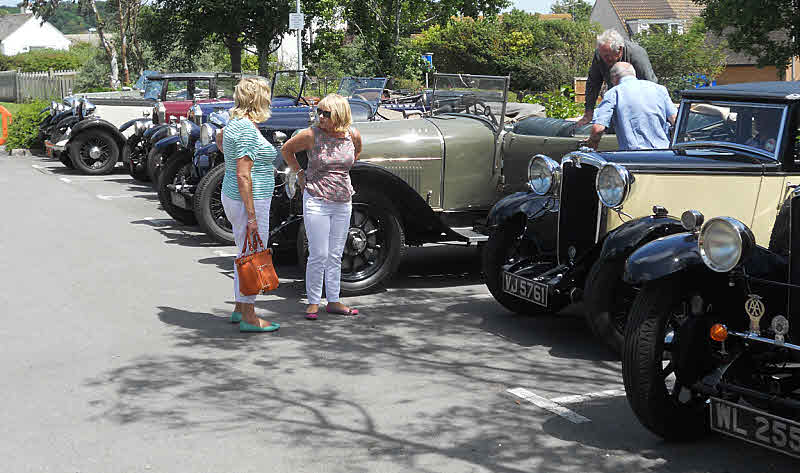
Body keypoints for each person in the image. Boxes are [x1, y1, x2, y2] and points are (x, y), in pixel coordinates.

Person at [281, 94, 363, 320]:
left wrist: (341, 172)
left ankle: (334, 300)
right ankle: (313, 301)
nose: (321, 116)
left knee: (336, 254)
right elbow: (286, 150)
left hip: (343, 200)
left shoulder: (352, 134)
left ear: (339, 114)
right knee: (318, 253)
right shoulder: (311, 135)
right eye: (319, 111)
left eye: (326, 113)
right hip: (316, 199)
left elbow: (355, 154)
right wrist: (299, 173)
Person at [220, 76, 280, 333]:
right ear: (258, 99)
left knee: (243, 252)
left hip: (234, 196)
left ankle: (238, 307)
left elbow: (221, 140)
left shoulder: (235, 123)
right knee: (252, 255)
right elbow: (243, 174)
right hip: (249, 200)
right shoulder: (245, 128)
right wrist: (253, 217)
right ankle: (249, 315)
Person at [585, 62, 677, 151]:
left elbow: (598, 129)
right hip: (664, 153)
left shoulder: (614, 93)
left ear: (613, 78)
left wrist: (590, 147)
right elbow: (675, 120)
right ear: (634, 74)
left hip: (634, 157)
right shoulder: (660, 89)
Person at [576, 29, 658, 127]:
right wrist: (588, 113)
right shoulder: (600, 54)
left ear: (620, 50)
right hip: (615, 100)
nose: (604, 60)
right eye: (602, 56)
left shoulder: (637, 55)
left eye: (607, 56)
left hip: (639, 103)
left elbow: (651, 85)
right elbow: (593, 83)